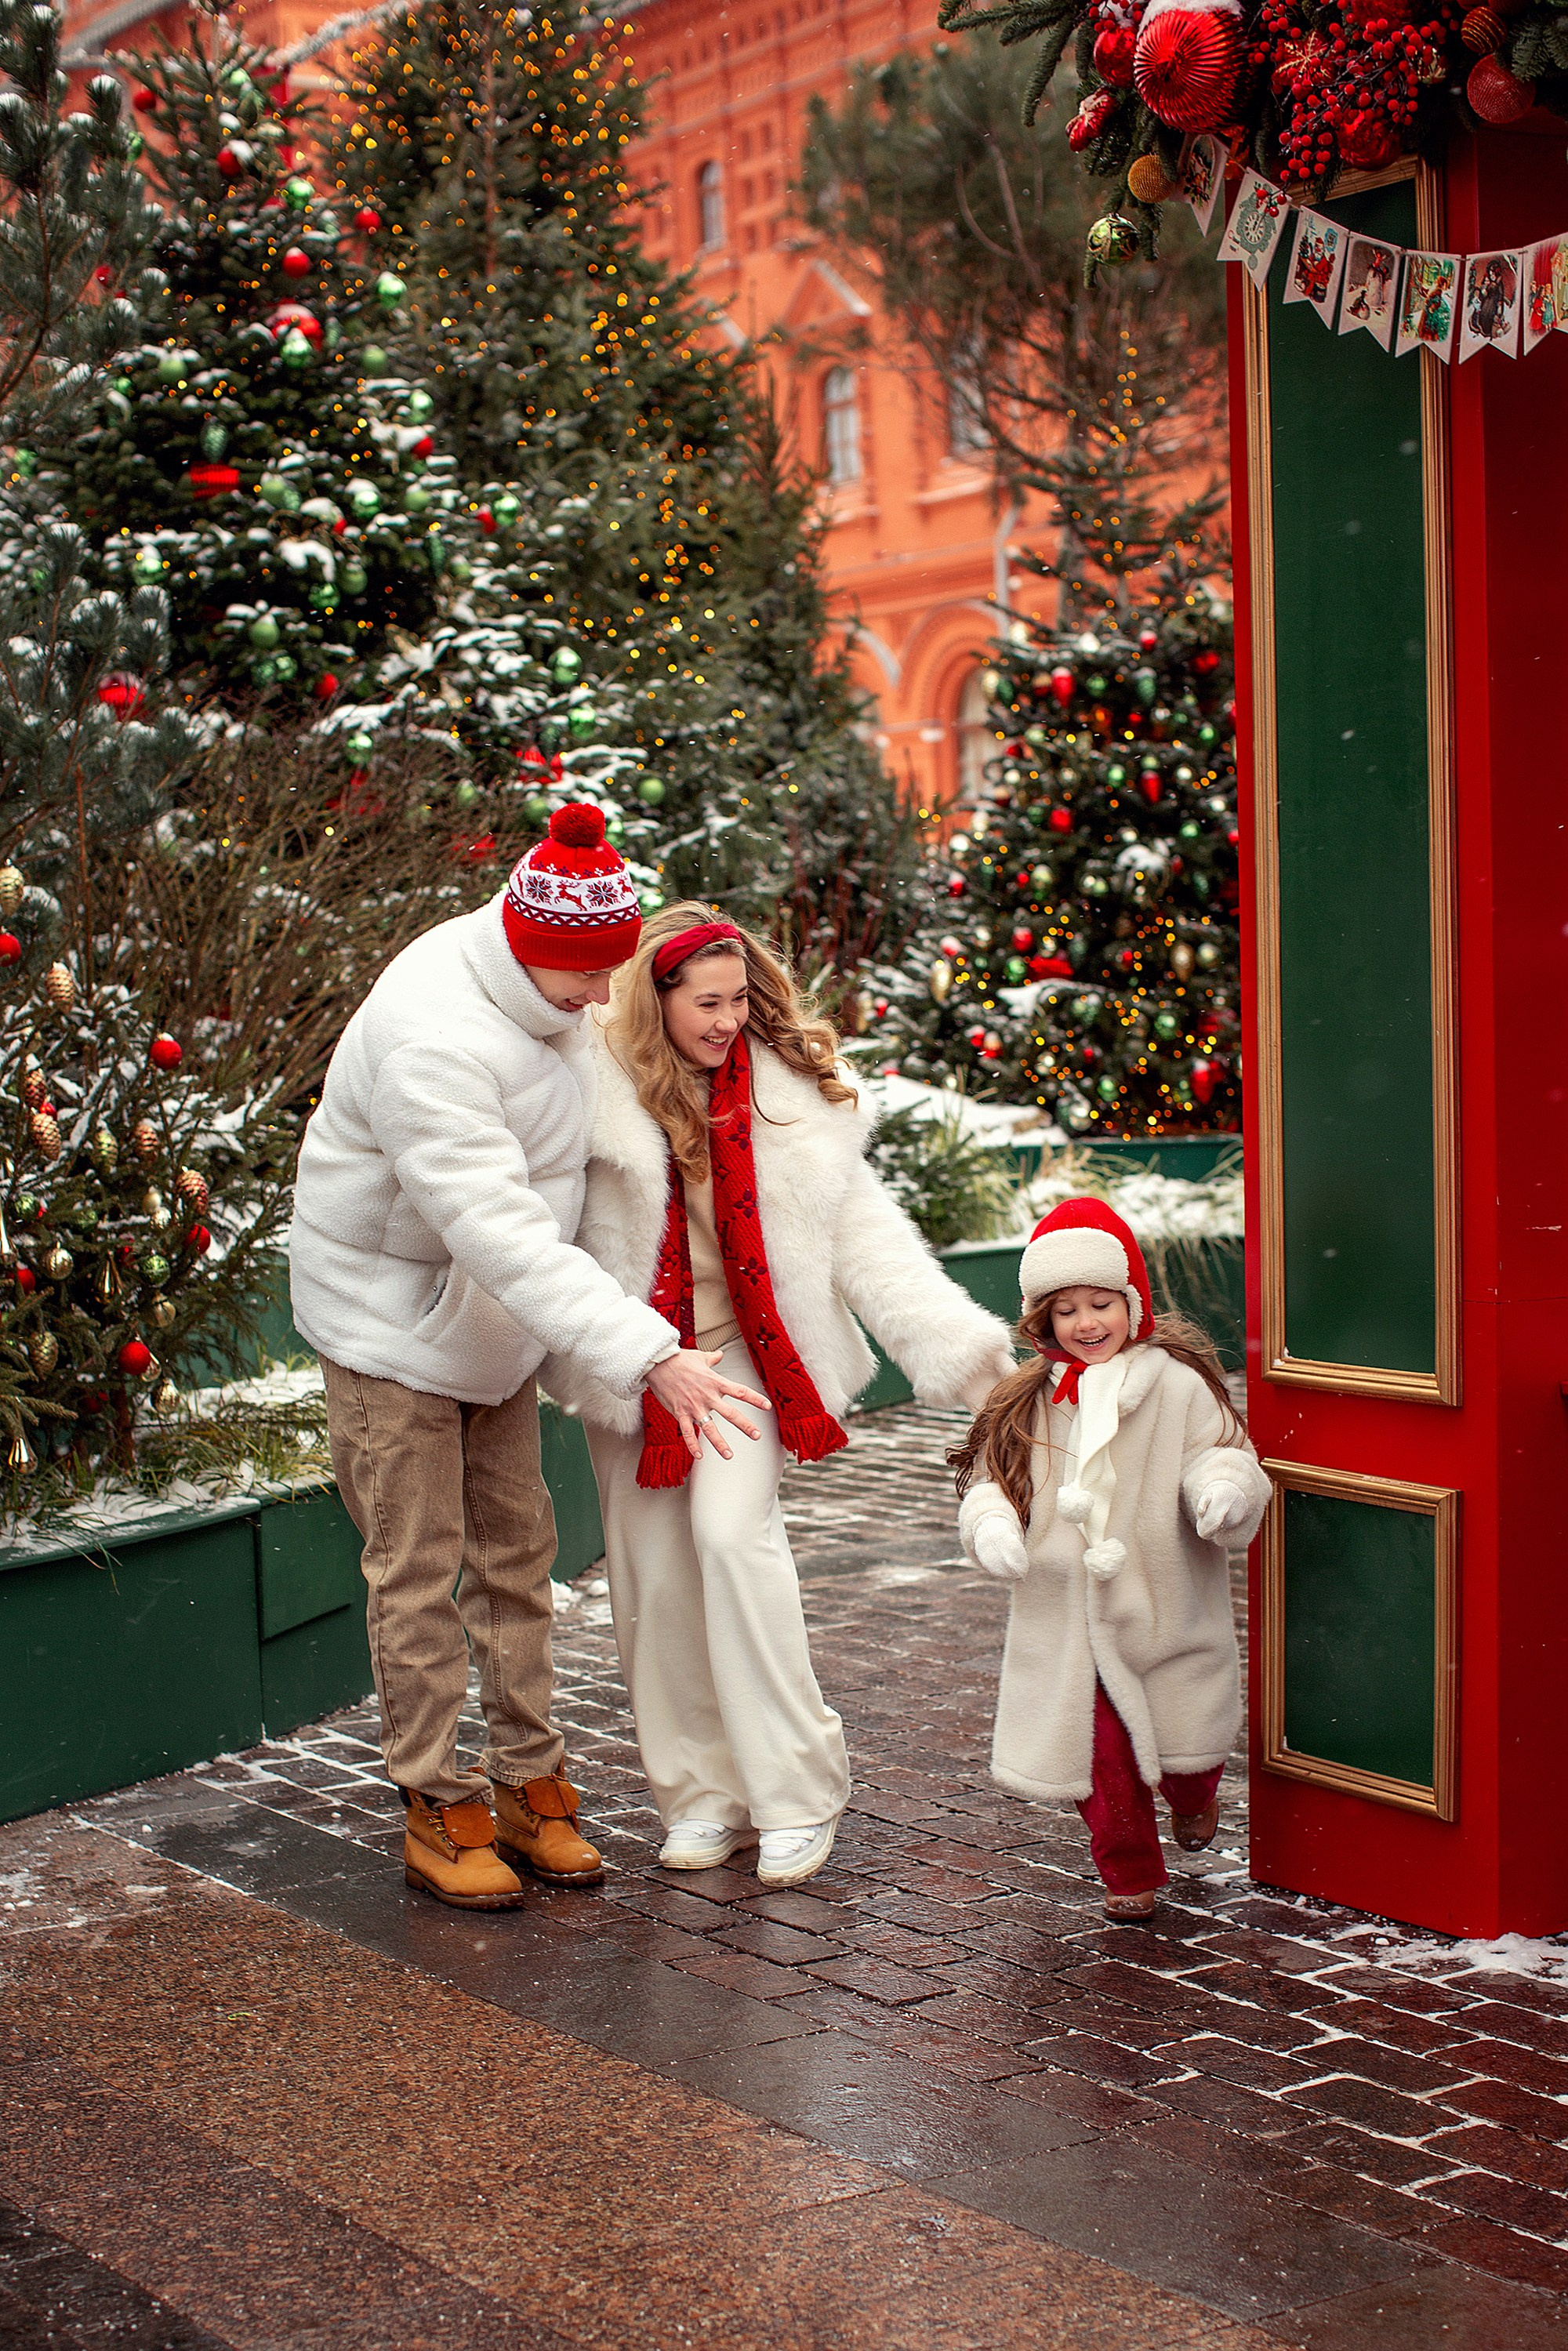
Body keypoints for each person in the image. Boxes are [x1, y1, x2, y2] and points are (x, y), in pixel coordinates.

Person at [289, 809, 767, 1912]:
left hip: (492, 1325)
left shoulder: (551, 979)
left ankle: (528, 1777)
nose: (606, 1000)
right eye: (590, 977)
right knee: (416, 1565)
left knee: (519, 1551)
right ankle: (435, 1799)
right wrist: (653, 1355)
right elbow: (497, 1226)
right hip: (392, 1319)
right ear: (525, 937)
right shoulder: (432, 1033)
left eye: (616, 970)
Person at [540, 905, 1016, 1888]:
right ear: (653, 998)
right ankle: (701, 1793)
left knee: (728, 1539)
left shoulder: (792, 1107)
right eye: (706, 1002)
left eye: (740, 998)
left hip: (742, 1357)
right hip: (635, 1360)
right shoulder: (589, 1085)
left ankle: (798, 1792)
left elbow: (870, 1245)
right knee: (652, 1579)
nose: (727, 1018)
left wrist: (975, 1366)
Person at [951, 1197, 1272, 1921]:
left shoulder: (1176, 1387)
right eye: (1065, 1311)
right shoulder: (1026, 1401)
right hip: (1067, 1614)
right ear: (1041, 1320)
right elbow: (991, 1483)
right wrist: (994, 1525)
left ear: (1133, 1303)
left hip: (1161, 1596)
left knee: (1187, 1735)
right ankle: (1129, 1872)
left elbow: (1221, 1454)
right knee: (1100, 1757)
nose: (1087, 1323)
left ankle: (1196, 1798)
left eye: (1102, 1303)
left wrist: (1221, 1488)